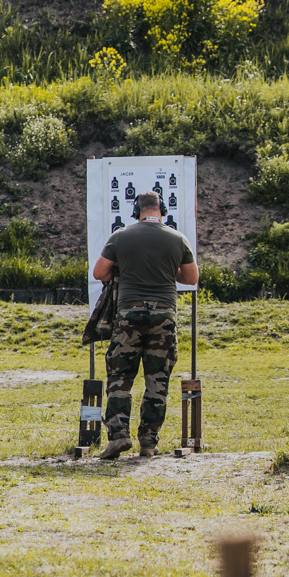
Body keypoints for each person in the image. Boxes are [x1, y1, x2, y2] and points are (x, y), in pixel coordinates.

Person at [91, 190, 199, 459]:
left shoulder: (121, 236)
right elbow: (191, 277)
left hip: (129, 315)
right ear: (161, 210)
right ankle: (149, 443)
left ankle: (118, 437)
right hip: (164, 315)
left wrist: (127, 267)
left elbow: (99, 272)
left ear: (136, 212)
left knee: (120, 377)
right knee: (157, 381)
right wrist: (166, 268)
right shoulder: (178, 238)